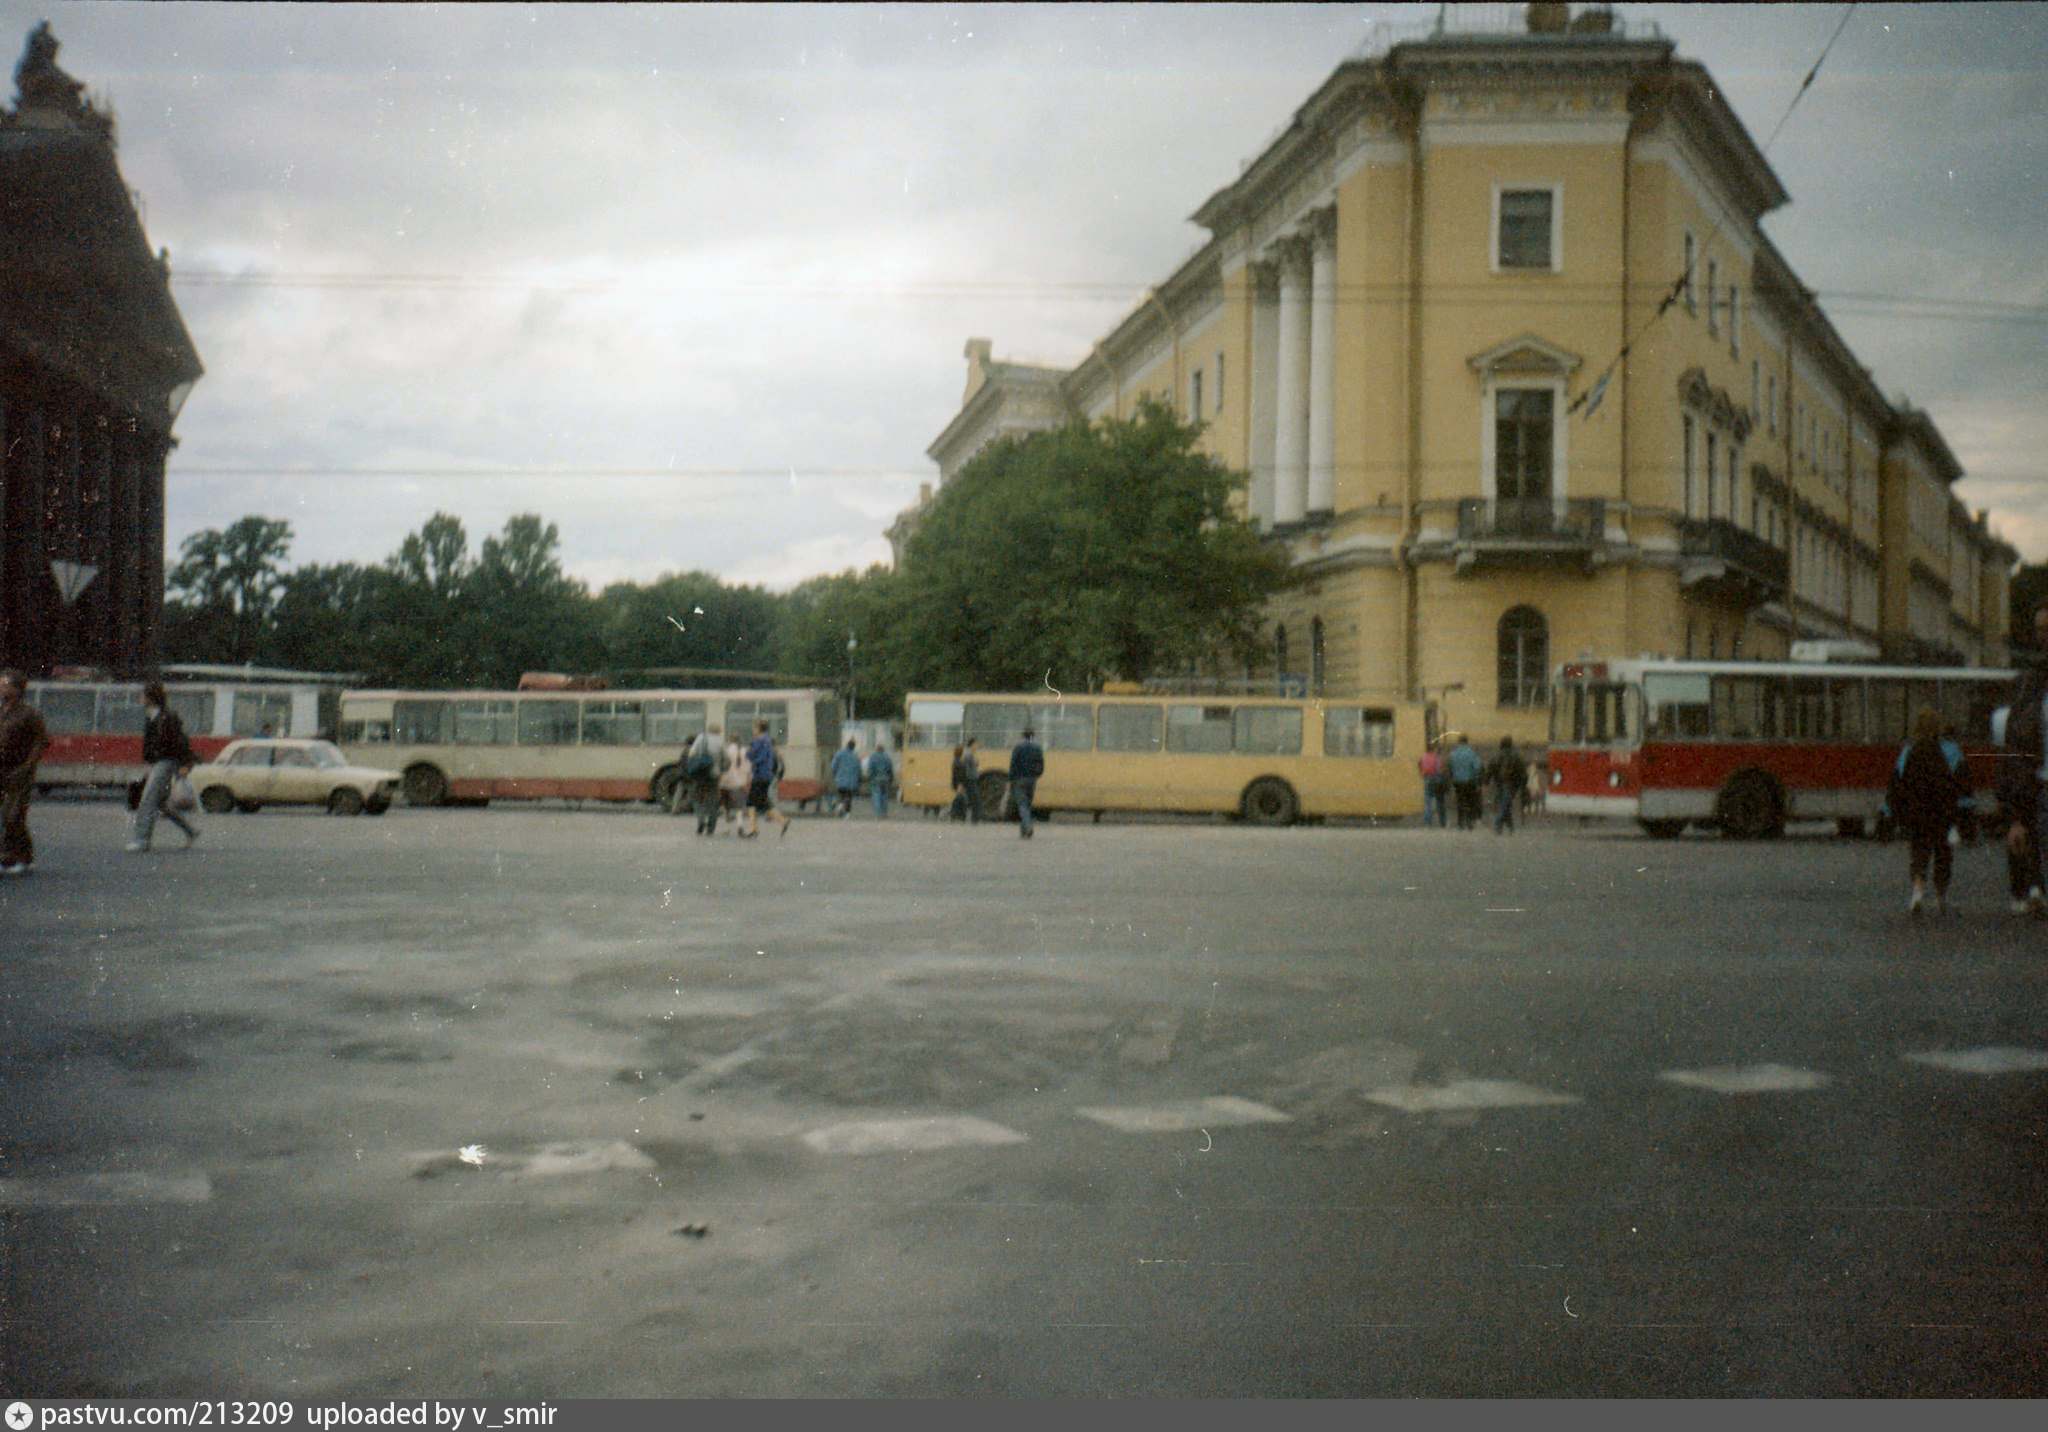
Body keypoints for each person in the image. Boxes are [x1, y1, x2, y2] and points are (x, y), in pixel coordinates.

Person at [1892, 707, 1968, 917]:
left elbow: (1900, 779)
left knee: (1919, 850)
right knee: (1943, 853)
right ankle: (1941, 897)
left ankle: (1917, 890)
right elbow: (1960, 780)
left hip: (1917, 810)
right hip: (1942, 811)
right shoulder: (1951, 750)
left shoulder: (1909, 750)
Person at [1999, 603, 2048, 915]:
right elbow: (2016, 751)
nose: (2042, 637)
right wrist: (2015, 817)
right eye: (2040, 630)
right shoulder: (2032, 683)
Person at [129, 681, 200, 852]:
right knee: (161, 803)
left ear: (150, 698)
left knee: (147, 799)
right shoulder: (152, 716)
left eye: (143, 696)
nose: (140, 699)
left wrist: (185, 764)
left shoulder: (167, 717)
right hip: (158, 763)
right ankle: (191, 831)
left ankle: (142, 840)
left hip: (167, 762)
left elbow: (181, 742)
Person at [0, 669, 50, 876]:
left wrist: (28, 766)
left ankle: (10, 858)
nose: (2, 687)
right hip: (2, 770)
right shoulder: (2, 711)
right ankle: (25, 856)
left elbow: (40, 743)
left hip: (20, 772)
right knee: (12, 816)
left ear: (17, 689)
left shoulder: (30, 714)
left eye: (5, 684)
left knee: (12, 814)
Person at [741, 719, 787, 839]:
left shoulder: (761, 741)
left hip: (760, 775)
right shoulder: (767, 740)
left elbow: (755, 756)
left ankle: (755, 828)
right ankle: (756, 827)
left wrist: (750, 757)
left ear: (757, 728)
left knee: (752, 802)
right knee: (760, 802)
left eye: (754, 727)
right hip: (766, 775)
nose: (753, 730)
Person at [681, 726, 723, 835]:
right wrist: (721, 769)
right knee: (713, 800)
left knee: (697, 798)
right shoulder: (720, 742)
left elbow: (691, 754)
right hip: (714, 774)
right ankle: (711, 827)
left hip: (699, 774)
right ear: (718, 732)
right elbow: (726, 759)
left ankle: (701, 820)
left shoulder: (700, 738)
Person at [1009, 726, 1045, 839]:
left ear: (1023, 736)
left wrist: (1010, 779)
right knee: (1027, 804)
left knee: (1022, 804)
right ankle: (1023, 830)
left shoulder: (1018, 747)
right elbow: (1041, 764)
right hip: (1032, 779)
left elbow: (1013, 764)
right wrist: (1037, 775)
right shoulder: (1037, 748)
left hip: (1020, 779)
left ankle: (1028, 827)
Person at [1488, 736, 1528, 835]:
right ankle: (1500, 824)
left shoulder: (1497, 755)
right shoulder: (1516, 756)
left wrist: (1487, 780)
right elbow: (1522, 771)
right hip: (1511, 784)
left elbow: (1491, 768)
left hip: (1499, 783)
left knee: (1504, 804)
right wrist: (1522, 784)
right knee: (1506, 805)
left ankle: (1506, 826)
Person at [1446, 733, 1485, 831]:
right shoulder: (1472, 753)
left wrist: (1452, 779)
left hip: (1457, 782)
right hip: (1470, 781)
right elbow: (1477, 767)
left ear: (1459, 742)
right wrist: (1477, 780)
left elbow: (1450, 768)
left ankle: (1460, 823)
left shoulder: (1453, 754)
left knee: (1460, 801)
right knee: (1470, 801)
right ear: (1467, 742)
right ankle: (1469, 822)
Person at [719, 730, 749, 833]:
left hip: (726, 781)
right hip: (739, 782)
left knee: (726, 806)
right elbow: (748, 767)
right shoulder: (744, 751)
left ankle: (727, 827)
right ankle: (739, 824)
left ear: (729, 740)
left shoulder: (726, 750)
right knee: (739, 805)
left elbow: (721, 765)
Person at [830, 738, 863, 817]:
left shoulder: (839, 754)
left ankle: (840, 805)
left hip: (840, 780)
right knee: (849, 797)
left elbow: (833, 766)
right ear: (854, 747)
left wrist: (834, 774)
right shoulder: (855, 757)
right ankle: (847, 812)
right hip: (852, 782)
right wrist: (859, 780)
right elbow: (859, 770)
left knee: (841, 795)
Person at [1418, 739, 1448, 828]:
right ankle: (1442, 823)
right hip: (1437, 780)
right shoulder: (1438, 758)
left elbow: (1420, 768)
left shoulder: (1423, 757)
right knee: (1440, 803)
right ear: (1434, 749)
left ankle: (1427, 823)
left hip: (1427, 780)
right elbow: (1440, 770)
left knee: (1427, 803)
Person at [951, 738, 981, 823]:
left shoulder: (968, 755)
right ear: (972, 745)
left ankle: (961, 816)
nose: (977, 746)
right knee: (974, 799)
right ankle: (973, 818)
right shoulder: (968, 755)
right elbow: (966, 770)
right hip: (970, 780)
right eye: (976, 744)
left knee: (968, 799)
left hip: (968, 780)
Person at [865, 742, 895, 818]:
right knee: (884, 797)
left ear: (876, 749)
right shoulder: (887, 757)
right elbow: (890, 770)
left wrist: (870, 777)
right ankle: (884, 813)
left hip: (876, 779)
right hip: (886, 779)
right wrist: (891, 779)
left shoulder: (873, 757)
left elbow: (870, 769)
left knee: (876, 796)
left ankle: (877, 813)